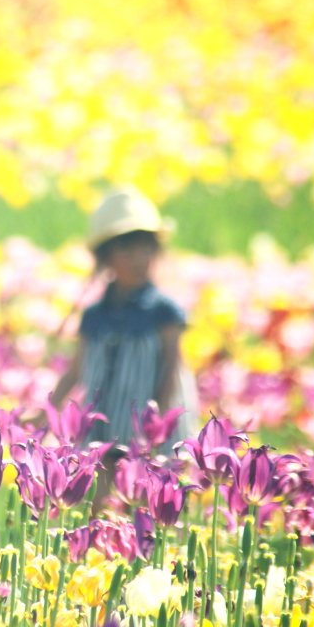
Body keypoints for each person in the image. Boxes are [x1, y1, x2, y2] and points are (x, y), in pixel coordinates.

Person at [50, 188, 197, 500]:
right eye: (127, 252)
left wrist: (157, 423)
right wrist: (48, 410)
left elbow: (172, 369)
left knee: (147, 496)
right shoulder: (94, 316)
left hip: (147, 421)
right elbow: (76, 370)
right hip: (104, 419)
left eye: (145, 251)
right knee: (100, 496)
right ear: (107, 257)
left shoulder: (163, 312)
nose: (137, 261)